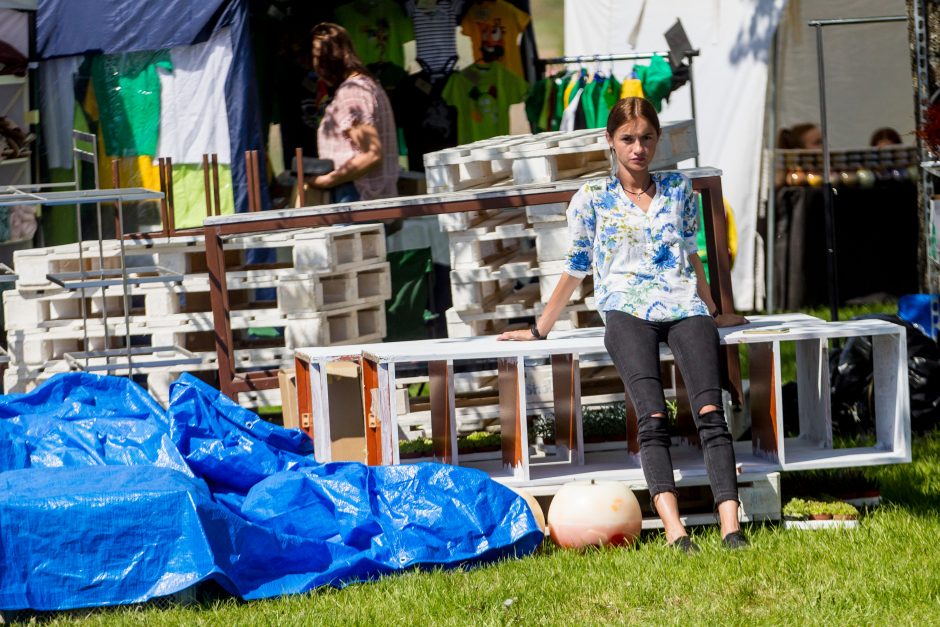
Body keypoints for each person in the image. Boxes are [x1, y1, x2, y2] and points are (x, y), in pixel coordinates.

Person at [498, 97, 750, 552]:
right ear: (610, 142)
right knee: (652, 417)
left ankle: (731, 527)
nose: (638, 148)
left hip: (684, 307)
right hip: (626, 311)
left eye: (647, 138)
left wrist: (713, 310)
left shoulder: (677, 188)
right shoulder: (592, 198)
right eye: (628, 139)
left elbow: (692, 256)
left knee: (711, 413)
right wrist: (540, 329)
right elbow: (575, 269)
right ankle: (676, 532)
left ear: (658, 139)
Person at [308, 23, 399, 203]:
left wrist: (328, 180)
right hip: (366, 196)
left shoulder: (352, 92)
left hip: (356, 196)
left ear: (329, 59)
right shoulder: (367, 84)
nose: (314, 65)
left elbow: (372, 154)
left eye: (317, 57)